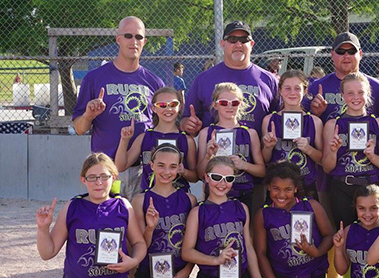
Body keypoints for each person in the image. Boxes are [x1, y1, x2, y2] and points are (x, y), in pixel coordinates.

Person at [307, 32, 379, 278]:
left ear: (360, 54)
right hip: (335, 181)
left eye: (351, 51)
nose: (346, 56)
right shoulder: (319, 89)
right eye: (340, 51)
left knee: (372, 234)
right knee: (339, 236)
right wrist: (329, 144)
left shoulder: (377, 93)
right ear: (332, 55)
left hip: (369, 182)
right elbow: (324, 155)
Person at [72, 16, 165, 199]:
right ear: (118, 39)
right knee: (109, 222)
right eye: (128, 36)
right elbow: (79, 129)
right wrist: (89, 115)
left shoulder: (154, 82)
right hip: (107, 170)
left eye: (138, 37)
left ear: (144, 41)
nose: (134, 41)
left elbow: (161, 125)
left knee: (139, 222)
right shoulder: (95, 78)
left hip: (143, 169)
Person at [181, 156, 267, 278]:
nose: (222, 183)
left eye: (229, 179)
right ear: (206, 178)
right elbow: (187, 252)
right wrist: (215, 260)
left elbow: (249, 249)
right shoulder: (198, 212)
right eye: (217, 177)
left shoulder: (241, 208)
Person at [253, 161, 333, 278]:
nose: (281, 194)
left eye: (287, 189)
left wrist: (317, 251)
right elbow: (261, 253)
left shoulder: (311, 206)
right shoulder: (263, 215)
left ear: (296, 188)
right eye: (276, 189)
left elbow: (329, 235)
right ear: (268, 188)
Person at [131, 145, 197, 278]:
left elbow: (192, 245)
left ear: (179, 168)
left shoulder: (189, 199)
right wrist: (150, 227)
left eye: (172, 166)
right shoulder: (140, 200)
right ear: (151, 166)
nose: (166, 172)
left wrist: (185, 273)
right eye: (160, 165)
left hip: (177, 274)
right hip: (147, 272)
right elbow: (139, 246)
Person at [181, 21, 279, 136]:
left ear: (251, 44)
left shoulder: (268, 80)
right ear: (223, 44)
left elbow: (279, 117)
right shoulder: (204, 79)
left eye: (244, 40)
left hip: (257, 152)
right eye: (232, 40)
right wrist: (188, 125)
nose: (238, 44)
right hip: (214, 151)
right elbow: (185, 121)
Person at [323, 72, 379, 235]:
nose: (356, 97)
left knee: (373, 234)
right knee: (346, 236)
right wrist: (333, 152)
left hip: (370, 188)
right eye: (350, 93)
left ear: (368, 94)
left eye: (361, 92)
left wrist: (372, 156)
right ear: (342, 95)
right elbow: (327, 167)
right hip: (342, 188)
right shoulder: (333, 124)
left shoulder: (378, 123)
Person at [197, 82, 266, 211]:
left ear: (240, 104)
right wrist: (208, 156)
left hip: (243, 193)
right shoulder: (206, 133)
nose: (229, 106)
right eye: (224, 103)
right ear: (215, 105)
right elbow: (200, 174)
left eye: (234, 103)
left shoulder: (250, 133)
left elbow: (261, 171)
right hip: (214, 193)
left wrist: (244, 165)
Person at [115, 86, 198, 192]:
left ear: (180, 106)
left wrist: (183, 171)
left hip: (179, 197)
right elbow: (120, 166)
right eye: (162, 105)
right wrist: (124, 140)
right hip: (149, 196)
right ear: (153, 108)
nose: (168, 109)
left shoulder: (187, 140)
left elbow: (195, 177)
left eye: (173, 104)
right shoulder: (144, 137)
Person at [262, 70, 323, 199]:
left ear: (305, 91)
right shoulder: (269, 120)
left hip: (305, 184)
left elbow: (322, 159)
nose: (292, 93)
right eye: (287, 88)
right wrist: (268, 147)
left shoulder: (314, 121)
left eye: (297, 88)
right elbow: (264, 160)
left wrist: (308, 149)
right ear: (280, 90)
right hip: (278, 187)